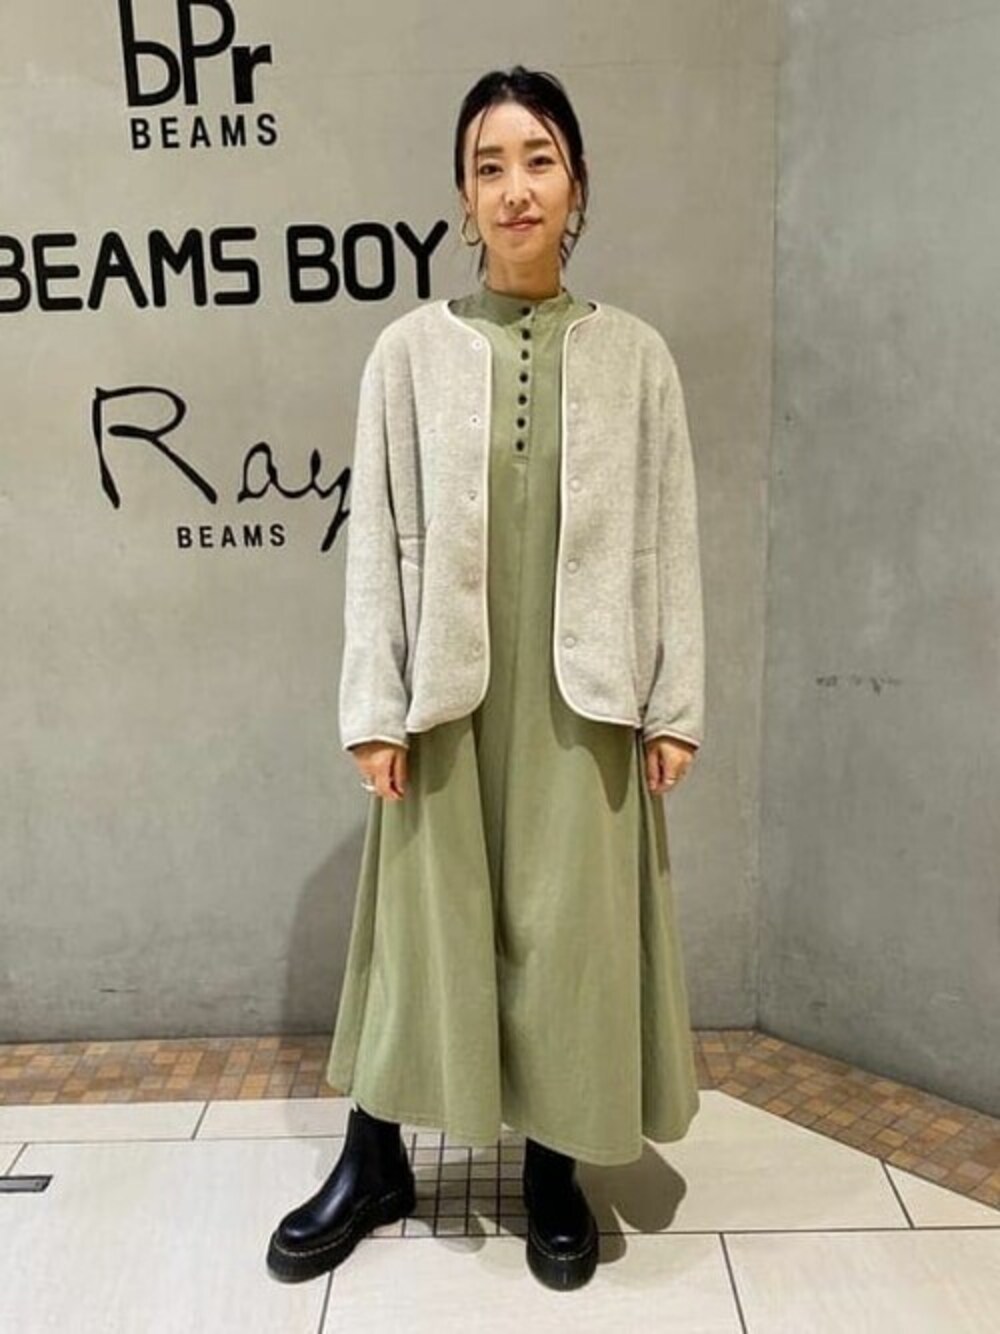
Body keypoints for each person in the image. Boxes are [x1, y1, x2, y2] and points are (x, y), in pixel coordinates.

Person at [267, 64, 705, 1294]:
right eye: (488, 165)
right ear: (463, 197)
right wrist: (374, 706)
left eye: (538, 159)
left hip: (585, 702)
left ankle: (552, 1167)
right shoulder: (406, 354)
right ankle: (375, 1158)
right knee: (421, 933)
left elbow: (670, 533)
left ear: (577, 184)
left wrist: (673, 703)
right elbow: (374, 541)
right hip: (447, 698)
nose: (515, 187)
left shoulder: (638, 358)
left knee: (570, 939)